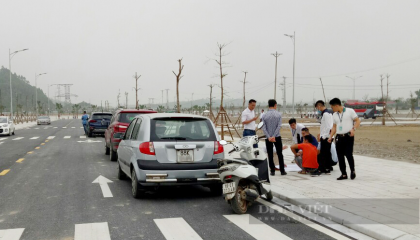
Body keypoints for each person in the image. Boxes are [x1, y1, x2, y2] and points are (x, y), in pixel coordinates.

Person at [328, 98, 361, 180]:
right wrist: (330, 136)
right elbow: (334, 127)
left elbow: (357, 121)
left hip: (348, 136)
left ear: (336, 105)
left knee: (349, 154)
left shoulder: (350, 111)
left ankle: (352, 171)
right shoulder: (334, 115)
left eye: (332, 107)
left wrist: (353, 129)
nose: (332, 109)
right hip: (339, 137)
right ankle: (343, 174)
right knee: (340, 156)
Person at [262, 99, 286, 176]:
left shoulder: (264, 115)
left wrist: (269, 137)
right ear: (275, 105)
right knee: (280, 153)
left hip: (268, 137)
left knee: (270, 154)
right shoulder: (278, 114)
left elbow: (263, 127)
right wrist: (274, 136)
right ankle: (282, 170)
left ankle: (272, 170)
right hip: (277, 136)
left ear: (268, 105)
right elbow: (279, 126)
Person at [315, 100, 334, 174]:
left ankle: (322, 168)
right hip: (327, 136)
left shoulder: (326, 114)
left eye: (317, 108)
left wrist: (324, 136)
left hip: (326, 137)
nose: (318, 109)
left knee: (323, 153)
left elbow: (329, 126)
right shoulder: (328, 113)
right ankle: (328, 167)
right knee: (327, 152)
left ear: (319, 106)